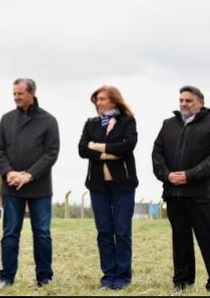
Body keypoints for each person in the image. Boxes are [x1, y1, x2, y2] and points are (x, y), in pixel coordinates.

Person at [152, 85, 210, 293]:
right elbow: (156, 154)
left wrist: (189, 175)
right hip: (174, 194)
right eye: (181, 100)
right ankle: (182, 282)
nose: (183, 104)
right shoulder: (168, 125)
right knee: (180, 240)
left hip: (202, 195)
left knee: (209, 241)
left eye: (188, 100)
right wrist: (167, 175)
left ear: (200, 102)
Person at [0, 78, 60, 288]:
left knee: (42, 234)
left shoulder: (49, 120)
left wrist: (29, 175)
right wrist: (9, 172)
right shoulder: (6, 119)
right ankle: (7, 277)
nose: (16, 97)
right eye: (14, 93)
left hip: (39, 187)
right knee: (10, 233)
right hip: (11, 187)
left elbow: (51, 153)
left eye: (20, 93)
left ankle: (44, 278)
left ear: (32, 93)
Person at [78, 85, 138, 290]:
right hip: (97, 186)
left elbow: (128, 146)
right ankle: (108, 275)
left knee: (122, 231)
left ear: (114, 100)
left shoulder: (128, 121)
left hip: (123, 185)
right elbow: (82, 149)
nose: (98, 102)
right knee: (104, 231)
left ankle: (123, 277)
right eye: (96, 99)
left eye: (102, 98)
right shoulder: (90, 123)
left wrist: (99, 147)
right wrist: (108, 153)